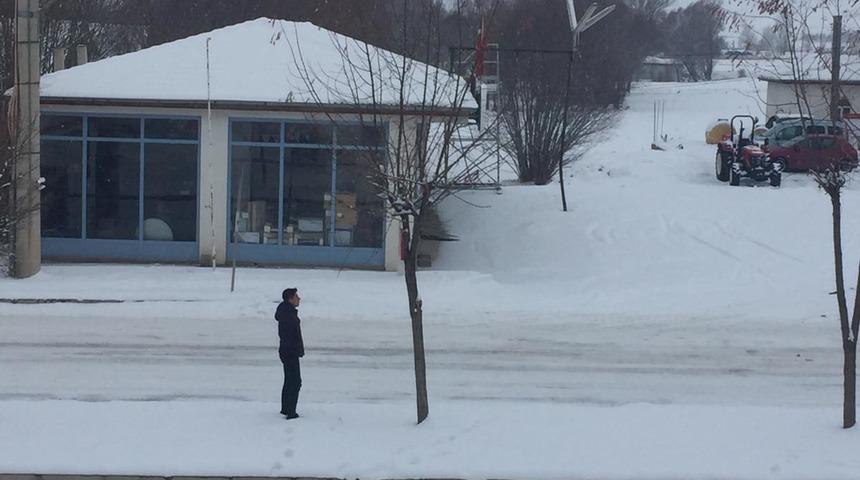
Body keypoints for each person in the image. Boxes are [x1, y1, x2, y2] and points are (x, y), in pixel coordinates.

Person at [275, 288, 304, 419]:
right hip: (289, 351)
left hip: (287, 350)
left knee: (289, 380)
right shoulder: (288, 314)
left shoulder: (287, 312)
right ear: (290, 298)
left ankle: (286, 408)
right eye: (296, 296)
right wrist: (296, 349)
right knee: (295, 381)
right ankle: (291, 412)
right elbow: (290, 335)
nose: (299, 298)